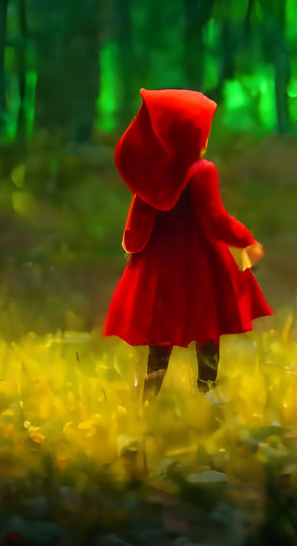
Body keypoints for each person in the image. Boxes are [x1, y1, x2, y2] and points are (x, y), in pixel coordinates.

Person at [102, 88, 271, 400]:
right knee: (207, 326)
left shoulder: (156, 173)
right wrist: (247, 241)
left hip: (160, 265)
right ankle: (208, 392)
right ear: (190, 133)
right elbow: (215, 217)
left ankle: (149, 398)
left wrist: (131, 245)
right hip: (200, 263)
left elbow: (138, 214)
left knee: (160, 333)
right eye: (202, 128)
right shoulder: (201, 170)